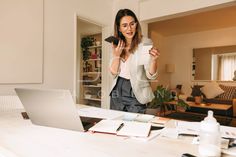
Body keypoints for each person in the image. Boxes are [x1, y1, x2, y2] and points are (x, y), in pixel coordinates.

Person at [109, 9, 160, 113]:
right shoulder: (117, 44)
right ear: (119, 28)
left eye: (132, 24)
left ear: (136, 25)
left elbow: (151, 75)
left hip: (136, 90)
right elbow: (113, 73)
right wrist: (116, 56)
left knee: (135, 126)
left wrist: (154, 60)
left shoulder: (145, 43)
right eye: (124, 25)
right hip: (117, 90)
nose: (129, 28)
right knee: (115, 123)